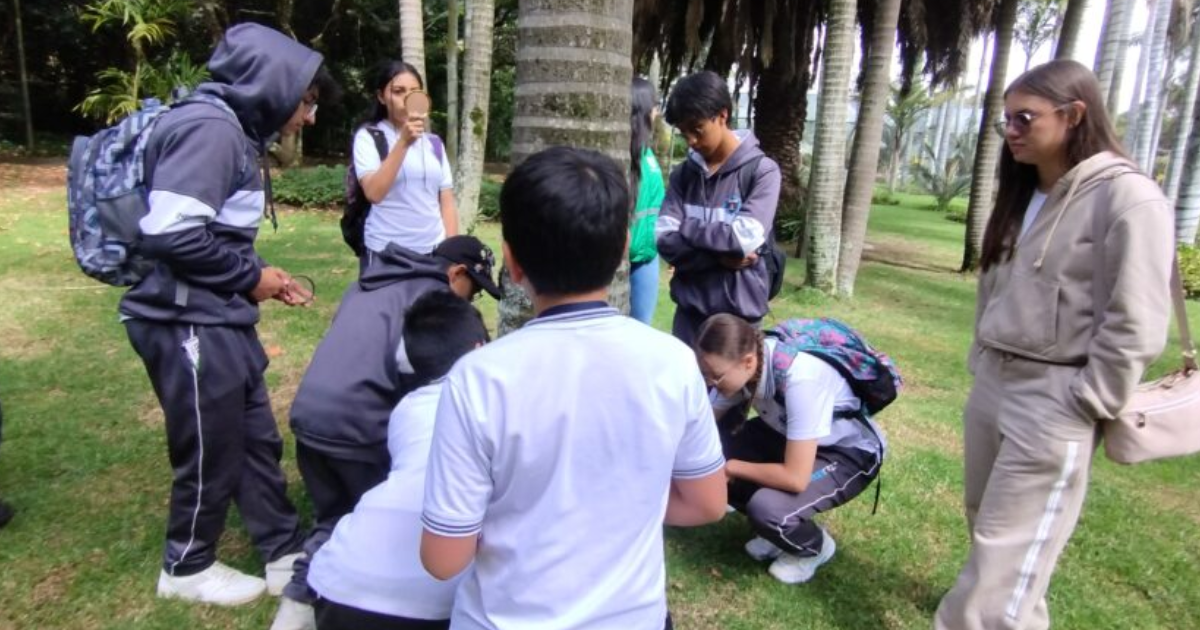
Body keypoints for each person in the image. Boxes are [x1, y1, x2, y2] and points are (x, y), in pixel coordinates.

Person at [419, 146, 728, 630]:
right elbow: (708, 503)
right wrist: (619, 502)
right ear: (624, 247)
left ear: (511, 262)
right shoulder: (672, 362)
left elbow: (444, 558)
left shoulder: (479, 377)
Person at [934, 60, 1174, 630]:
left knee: (1005, 551)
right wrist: (982, 361)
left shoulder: (1126, 197)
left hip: (1055, 396)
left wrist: (1088, 399)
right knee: (994, 534)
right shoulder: (1025, 190)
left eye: (1025, 118)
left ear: (1073, 116)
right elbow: (996, 285)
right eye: (1005, 121)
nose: (1012, 131)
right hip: (996, 382)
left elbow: (1137, 319)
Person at [119, 23, 337, 606]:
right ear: (271, 83)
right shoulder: (211, 130)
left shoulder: (234, 131)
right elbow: (169, 233)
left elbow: (216, 232)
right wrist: (250, 278)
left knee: (252, 434)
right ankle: (186, 566)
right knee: (211, 442)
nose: (308, 117)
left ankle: (281, 546)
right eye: (307, 101)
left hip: (218, 314)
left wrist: (264, 278)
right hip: (183, 319)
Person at [273, 235, 500, 629]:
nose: (469, 301)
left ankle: (298, 599)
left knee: (333, 516)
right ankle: (303, 595)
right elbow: (417, 371)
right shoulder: (430, 300)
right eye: (473, 291)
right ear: (456, 273)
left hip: (311, 413)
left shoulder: (371, 280)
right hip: (359, 423)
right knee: (374, 512)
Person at [306, 290, 489, 630]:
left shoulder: (407, 409)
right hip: (431, 604)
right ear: (479, 350)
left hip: (337, 583)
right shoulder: (493, 405)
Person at [694, 314, 886, 584]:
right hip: (790, 437)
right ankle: (775, 537)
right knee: (711, 457)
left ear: (748, 362)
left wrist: (732, 467)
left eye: (715, 376)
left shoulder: (802, 381)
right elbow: (701, 426)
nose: (710, 383)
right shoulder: (749, 361)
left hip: (845, 453)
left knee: (768, 509)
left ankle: (813, 548)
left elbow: (795, 478)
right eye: (703, 374)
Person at [655, 70, 781, 346]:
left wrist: (686, 228)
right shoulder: (683, 175)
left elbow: (743, 237)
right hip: (688, 317)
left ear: (722, 115)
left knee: (734, 390)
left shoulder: (762, 172)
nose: (690, 141)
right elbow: (663, 237)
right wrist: (718, 259)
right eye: (684, 132)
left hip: (739, 321)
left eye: (697, 129)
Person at [355, 60, 457, 266]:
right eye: (398, 91)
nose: (406, 99)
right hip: (386, 252)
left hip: (433, 251)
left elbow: (446, 200)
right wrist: (403, 142)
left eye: (414, 92)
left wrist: (452, 252)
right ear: (381, 97)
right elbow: (374, 193)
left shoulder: (434, 143)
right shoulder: (369, 137)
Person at [628, 77, 666, 325]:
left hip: (647, 257)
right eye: (654, 105)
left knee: (641, 328)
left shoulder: (648, 154)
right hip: (618, 258)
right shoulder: (622, 153)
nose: (657, 111)